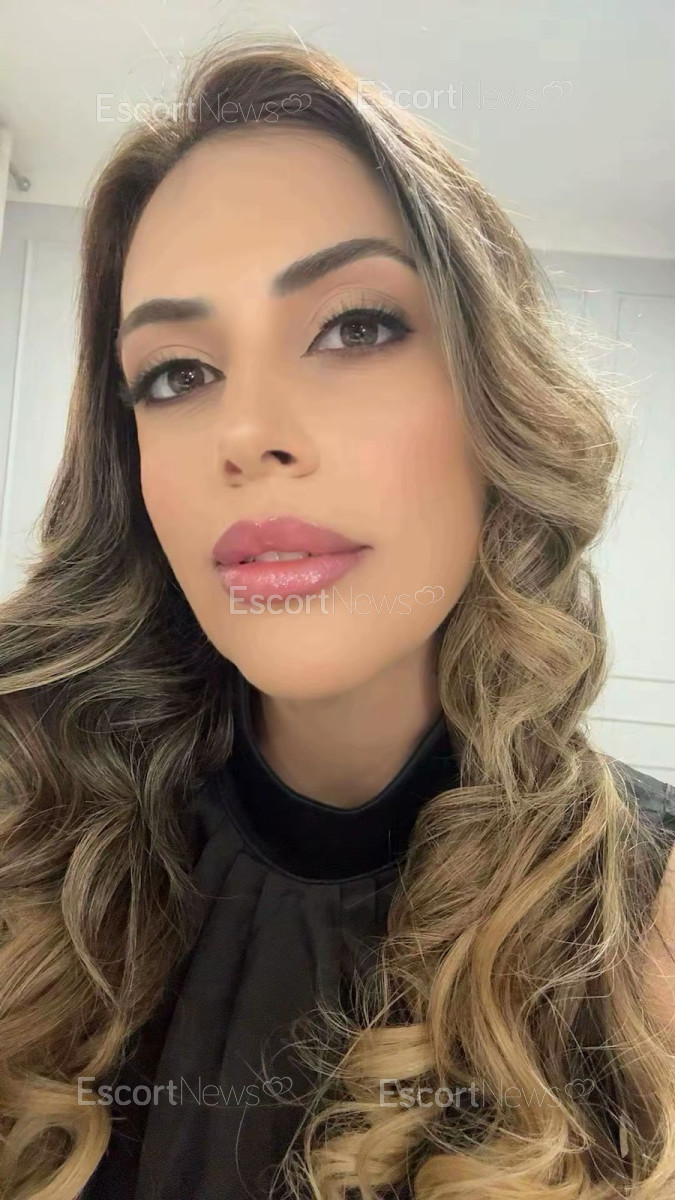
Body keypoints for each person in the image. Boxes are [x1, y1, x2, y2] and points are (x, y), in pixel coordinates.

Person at [1, 29, 674, 1200]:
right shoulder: (31, 854)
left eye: (356, 327)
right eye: (176, 373)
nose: (246, 433)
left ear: (496, 402)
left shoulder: (648, 923)